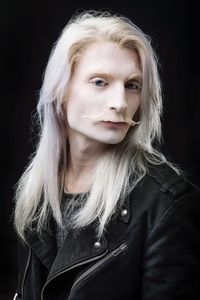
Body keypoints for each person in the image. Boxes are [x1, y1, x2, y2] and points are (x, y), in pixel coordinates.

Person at [13, 10, 200, 300]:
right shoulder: (37, 192)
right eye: (100, 82)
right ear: (61, 91)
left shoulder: (167, 203)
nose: (120, 102)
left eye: (132, 85)